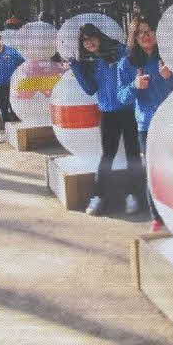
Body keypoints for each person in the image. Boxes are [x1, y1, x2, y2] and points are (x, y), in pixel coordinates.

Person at [68, 23, 143, 216]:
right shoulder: (89, 61)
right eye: (84, 41)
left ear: (99, 36)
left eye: (91, 38)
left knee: (133, 154)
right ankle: (99, 196)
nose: (89, 43)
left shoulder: (119, 50)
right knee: (107, 156)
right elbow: (90, 89)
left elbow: (132, 63)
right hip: (108, 114)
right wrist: (76, 67)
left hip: (129, 110)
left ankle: (133, 194)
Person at [117, 15, 173, 231]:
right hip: (148, 125)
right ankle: (157, 217)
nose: (145, 36)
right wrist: (135, 86)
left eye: (149, 30)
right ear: (133, 38)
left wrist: (170, 77)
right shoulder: (127, 64)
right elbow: (121, 97)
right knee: (154, 172)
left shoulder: (170, 57)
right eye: (139, 33)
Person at [0, 31, 24, 123]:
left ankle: (17, 126)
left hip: (13, 84)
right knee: (3, 109)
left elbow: (22, 62)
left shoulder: (11, 51)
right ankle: (7, 126)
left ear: (0, 39)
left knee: (14, 108)